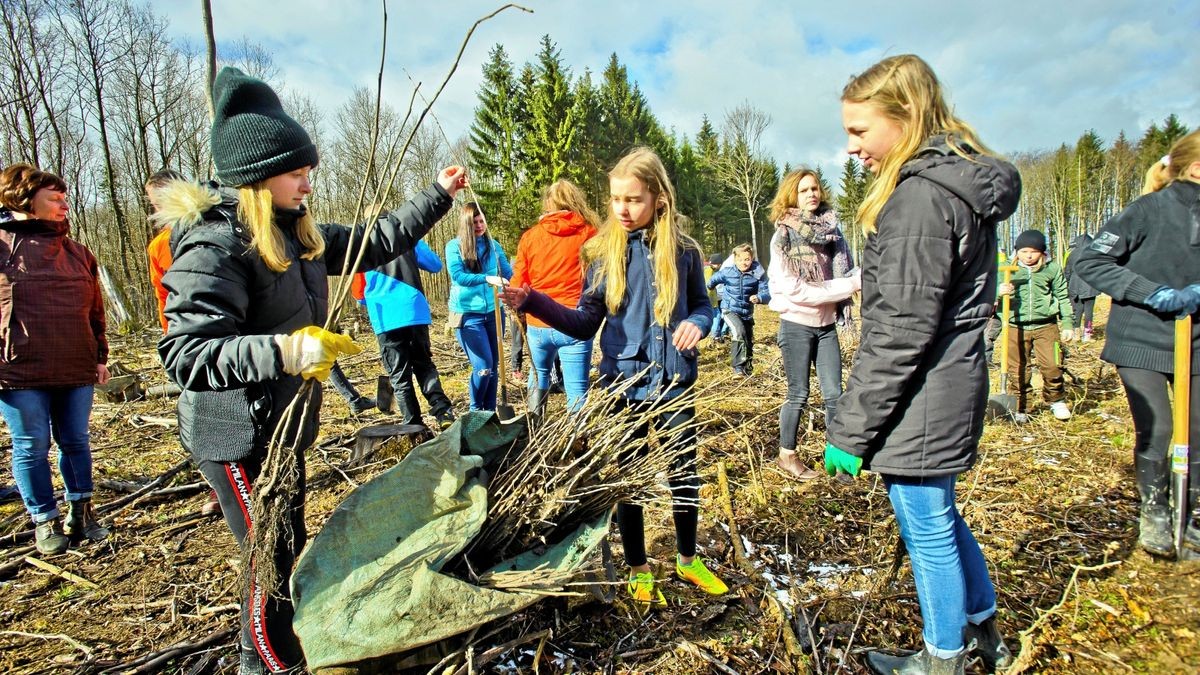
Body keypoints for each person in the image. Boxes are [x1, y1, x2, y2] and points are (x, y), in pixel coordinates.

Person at [155, 67, 466, 675]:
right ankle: (264, 661)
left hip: (283, 426)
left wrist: (436, 194)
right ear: (257, 176)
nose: (308, 179)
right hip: (235, 435)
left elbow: (375, 241)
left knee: (289, 544)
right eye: (296, 170)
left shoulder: (295, 231)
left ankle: (285, 644)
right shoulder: (214, 245)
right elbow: (186, 354)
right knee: (267, 555)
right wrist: (284, 351)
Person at [822, 54, 1019, 674]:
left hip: (926, 391)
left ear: (904, 116)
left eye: (859, 130)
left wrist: (850, 432)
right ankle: (984, 631)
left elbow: (901, 332)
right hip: (946, 380)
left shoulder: (919, 202)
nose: (851, 147)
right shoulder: (949, 186)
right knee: (940, 514)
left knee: (926, 526)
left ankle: (942, 661)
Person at [501, 146, 728, 608]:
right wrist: (533, 302)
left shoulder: (685, 251)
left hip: (673, 381)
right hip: (622, 381)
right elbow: (585, 322)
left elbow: (703, 305)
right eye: (616, 199)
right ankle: (639, 567)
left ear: (659, 198)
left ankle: (687, 558)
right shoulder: (603, 253)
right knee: (628, 479)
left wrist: (699, 324)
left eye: (634, 199)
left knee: (684, 473)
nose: (623, 209)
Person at [1075, 133, 1200, 560]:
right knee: (1160, 427)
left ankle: (1190, 515)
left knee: (1197, 430)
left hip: (1196, 341)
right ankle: (1155, 516)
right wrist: (1152, 292)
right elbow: (1090, 261)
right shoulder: (1148, 210)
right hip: (1142, 340)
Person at [0, 163, 112, 556]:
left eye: (66, 198)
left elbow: (95, 311)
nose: (65, 205)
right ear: (26, 200)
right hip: (17, 371)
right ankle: (45, 520)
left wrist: (100, 355)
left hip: (76, 364)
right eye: (55, 199)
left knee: (76, 440)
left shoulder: (78, 253)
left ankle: (81, 513)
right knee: (31, 444)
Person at [766, 169, 860, 480]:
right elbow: (797, 291)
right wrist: (848, 286)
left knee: (835, 394)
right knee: (799, 394)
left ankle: (838, 459)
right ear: (792, 196)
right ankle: (787, 455)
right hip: (796, 326)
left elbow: (844, 273)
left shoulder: (834, 234)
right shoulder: (783, 237)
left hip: (826, 326)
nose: (811, 194)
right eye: (804, 189)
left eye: (815, 188)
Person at [146, 169, 225, 519]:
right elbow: (164, 297)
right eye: (155, 203)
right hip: (189, 344)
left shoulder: (216, 228)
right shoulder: (159, 246)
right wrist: (175, 342)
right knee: (201, 419)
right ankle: (217, 485)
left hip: (229, 337)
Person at [510, 179, 601, 415]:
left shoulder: (530, 237)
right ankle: (576, 443)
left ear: (548, 205)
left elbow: (518, 283)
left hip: (538, 323)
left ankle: (533, 430)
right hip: (574, 322)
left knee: (538, 375)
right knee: (577, 390)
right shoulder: (591, 233)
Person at [356, 230, 456, 430]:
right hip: (413, 311)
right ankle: (443, 411)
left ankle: (413, 426)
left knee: (400, 376)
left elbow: (359, 296)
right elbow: (435, 265)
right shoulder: (406, 237)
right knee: (424, 365)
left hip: (385, 317)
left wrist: (379, 296)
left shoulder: (361, 245)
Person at [997, 229, 1074, 422]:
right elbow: (986, 292)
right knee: (1018, 369)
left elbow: (1063, 296)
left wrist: (1067, 324)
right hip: (1015, 326)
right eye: (1024, 251)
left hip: (1046, 326)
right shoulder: (1005, 269)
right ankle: (1022, 406)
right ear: (1017, 252)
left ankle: (1056, 399)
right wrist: (999, 292)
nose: (1029, 256)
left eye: (1033, 251)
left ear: (1042, 252)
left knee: (1052, 365)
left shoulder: (1051, 269)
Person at [445, 202, 512, 412]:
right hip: (467, 315)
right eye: (474, 222)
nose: (480, 225)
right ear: (467, 224)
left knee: (493, 368)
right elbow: (458, 276)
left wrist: (514, 282)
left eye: (482, 220)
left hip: (494, 312)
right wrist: (487, 278)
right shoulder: (454, 247)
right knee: (483, 367)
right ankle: (476, 411)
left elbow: (508, 272)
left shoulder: (494, 245)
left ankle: (490, 413)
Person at [708, 243, 770, 376]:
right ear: (735, 260)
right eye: (740, 260)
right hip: (729, 309)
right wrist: (710, 287)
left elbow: (767, 291)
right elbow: (712, 280)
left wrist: (759, 297)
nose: (744, 263)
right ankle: (737, 368)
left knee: (748, 339)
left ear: (752, 259)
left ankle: (747, 368)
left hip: (747, 312)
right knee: (738, 332)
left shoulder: (758, 273)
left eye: (747, 259)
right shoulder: (728, 272)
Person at [1064, 234, 1099, 342]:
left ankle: (1076, 334)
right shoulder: (1095, 253)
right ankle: (1087, 335)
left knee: (1076, 310)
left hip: (1074, 286)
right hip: (1091, 287)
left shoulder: (1072, 254)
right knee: (1089, 312)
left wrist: (1067, 284)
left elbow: (1067, 271)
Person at [704, 254, 727, 341]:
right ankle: (715, 336)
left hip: (712, 299)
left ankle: (714, 335)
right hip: (711, 300)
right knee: (717, 316)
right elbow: (708, 285)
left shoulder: (707, 269)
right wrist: (709, 299)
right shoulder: (709, 271)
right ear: (718, 264)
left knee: (715, 316)